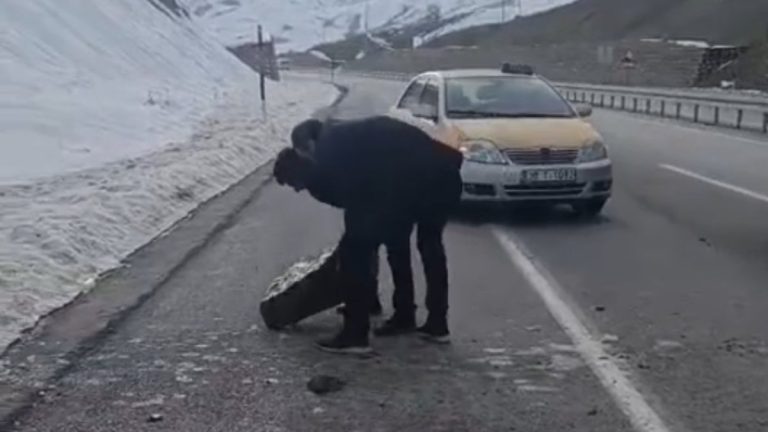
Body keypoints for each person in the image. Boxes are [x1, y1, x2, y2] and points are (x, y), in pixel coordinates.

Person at [274, 116, 462, 354]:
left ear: (307, 148)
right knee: (411, 242)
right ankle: (428, 321)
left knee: (356, 250)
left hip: (415, 181)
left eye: (294, 184)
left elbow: (360, 214)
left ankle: (355, 335)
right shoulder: (341, 138)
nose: (298, 189)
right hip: (441, 175)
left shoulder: (331, 154)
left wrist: (352, 265)